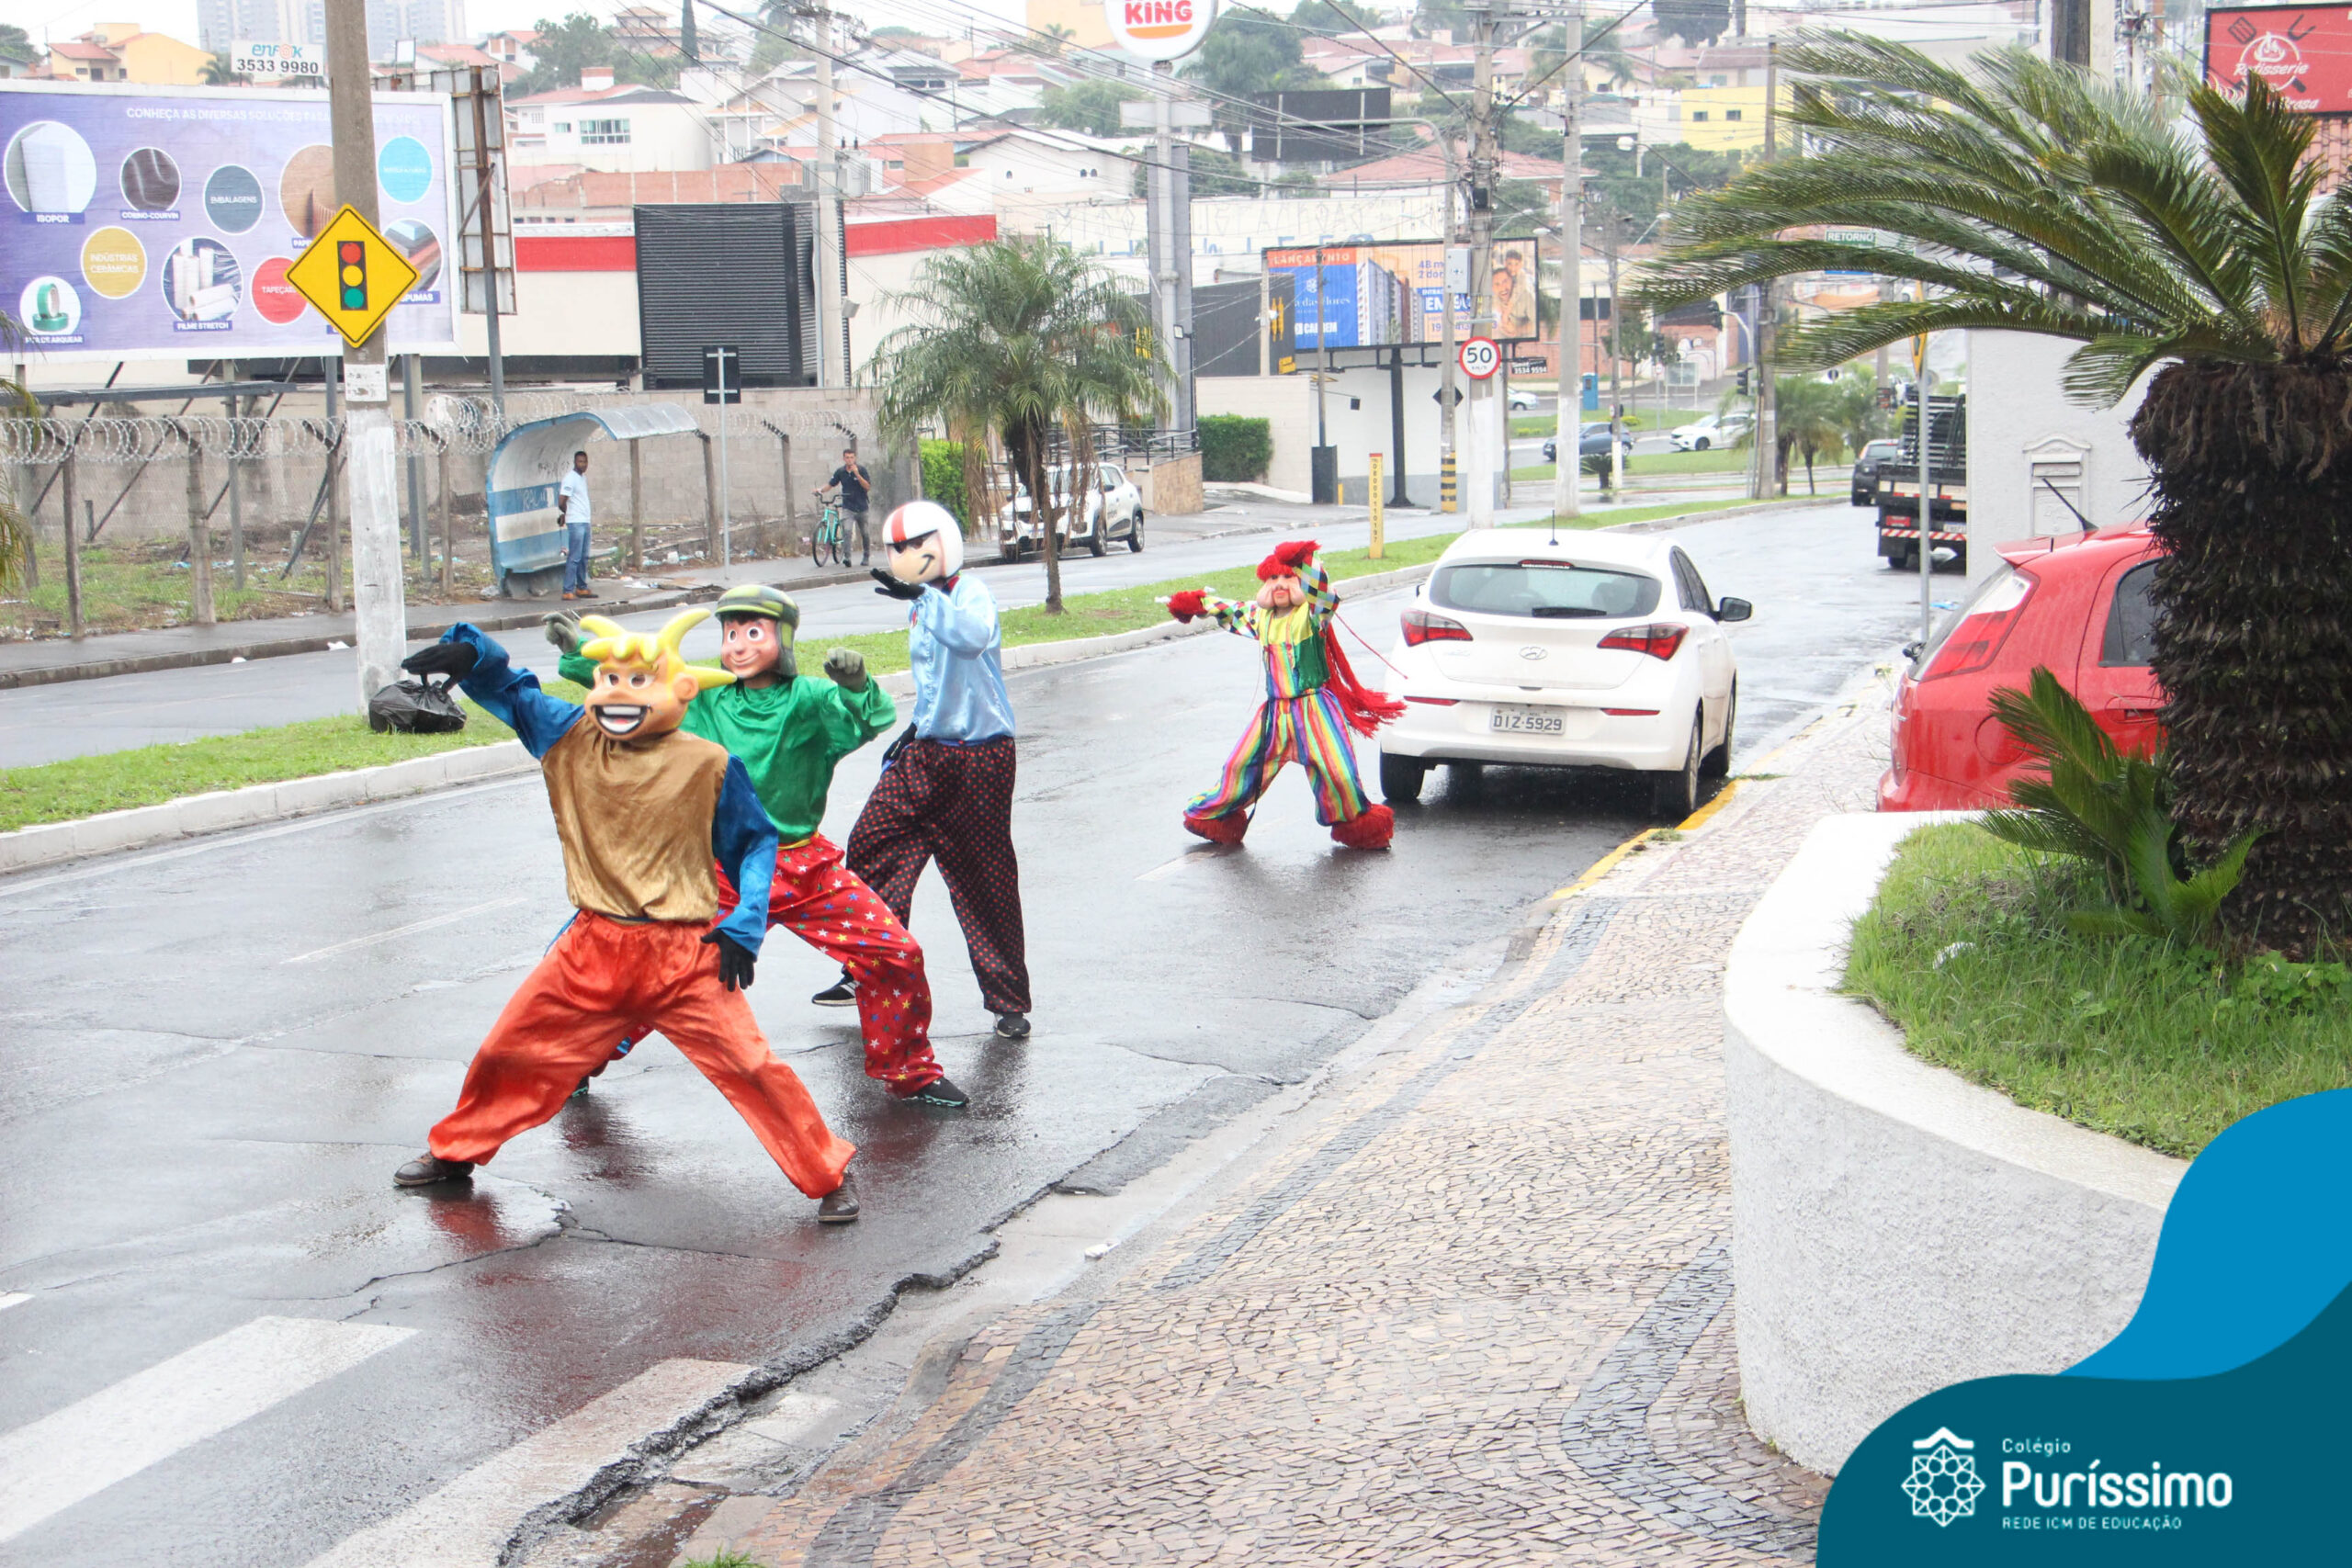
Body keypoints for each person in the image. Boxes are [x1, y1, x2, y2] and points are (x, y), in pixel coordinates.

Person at [390, 608, 862, 1223]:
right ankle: (455, 1152)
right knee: (510, 1048)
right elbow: (513, 692)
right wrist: (474, 655)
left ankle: (827, 1173)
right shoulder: (568, 735)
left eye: (638, 681)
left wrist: (745, 922)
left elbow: (754, 842)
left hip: (684, 954)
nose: (616, 693)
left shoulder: (708, 763)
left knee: (751, 1064)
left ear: (680, 690)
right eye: (608, 679)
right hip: (591, 948)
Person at [548, 583, 966, 1107]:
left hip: (807, 866)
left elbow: (867, 718)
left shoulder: (810, 700)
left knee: (895, 953)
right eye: (729, 634)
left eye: (752, 633)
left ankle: (909, 1068)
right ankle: (579, 1062)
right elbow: (636, 690)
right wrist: (573, 659)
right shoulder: (704, 699)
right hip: (722, 871)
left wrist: (857, 684)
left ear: (782, 639)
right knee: (664, 974)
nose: (737, 646)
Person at [837, 501, 1033, 1041]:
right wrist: (916, 727)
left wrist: (924, 595)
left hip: (980, 757)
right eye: (897, 548)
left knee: (982, 878)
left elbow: (971, 638)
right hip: (928, 749)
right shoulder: (919, 604)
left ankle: (1008, 1000)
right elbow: (934, 682)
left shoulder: (969, 594)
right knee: (872, 842)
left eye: (917, 544)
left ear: (944, 541)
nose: (907, 556)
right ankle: (868, 966)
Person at [1163, 539, 1404, 850]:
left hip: (1315, 709)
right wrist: (1198, 604)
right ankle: (1214, 816)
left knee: (1338, 773)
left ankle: (1358, 825)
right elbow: (1229, 610)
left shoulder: (1313, 614)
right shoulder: (1260, 616)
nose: (1279, 585)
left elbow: (1324, 592)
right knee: (1240, 766)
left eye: (1287, 577)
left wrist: (1306, 559)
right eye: (1272, 579)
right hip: (1274, 715)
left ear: (1300, 581)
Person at [815, 447, 874, 565]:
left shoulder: (861, 470)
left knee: (865, 533)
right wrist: (820, 490)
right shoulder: (840, 472)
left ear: (855, 458)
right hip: (848, 507)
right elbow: (831, 484)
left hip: (862, 507)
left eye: (852, 457)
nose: (850, 460)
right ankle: (847, 557)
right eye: (847, 457)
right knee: (847, 531)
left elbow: (867, 487)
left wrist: (857, 473)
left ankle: (866, 556)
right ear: (844, 459)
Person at [558, 449, 595, 601]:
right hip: (576, 521)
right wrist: (567, 513)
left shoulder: (582, 478)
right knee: (574, 556)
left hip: (585, 520)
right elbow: (562, 501)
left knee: (584, 556)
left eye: (585, 462)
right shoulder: (570, 479)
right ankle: (567, 590)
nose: (583, 464)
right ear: (575, 462)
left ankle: (581, 587)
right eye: (580, 461)